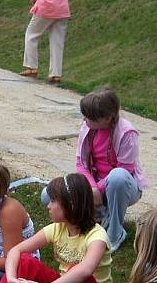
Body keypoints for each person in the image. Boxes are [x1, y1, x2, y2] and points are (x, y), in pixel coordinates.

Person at [43, 88, 147, 253]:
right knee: (48, 195)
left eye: (90, 117)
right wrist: (91, 188)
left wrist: (98, 189)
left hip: (121, 186)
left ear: (107, 118)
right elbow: (81, 163)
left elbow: (126, 168)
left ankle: (114, 233)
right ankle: (95, 217)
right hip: (94, 186)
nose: (85, 120)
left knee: (117, 177)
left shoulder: (127, 133)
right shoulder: (87, 127)